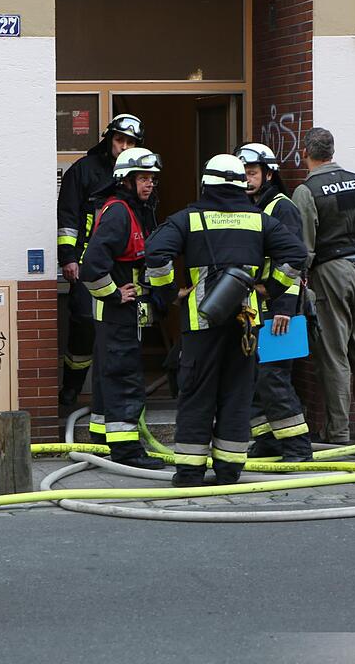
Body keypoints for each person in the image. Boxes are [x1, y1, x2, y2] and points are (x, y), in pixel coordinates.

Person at [145, 154, 306, 486]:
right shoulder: (259, 220)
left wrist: (168, 292)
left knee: (197, 394)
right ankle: (229, 470)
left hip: (201, 324)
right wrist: (271, 288)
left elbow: (156, 254)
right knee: (237, 395)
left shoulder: (187, 219)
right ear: (239, 185)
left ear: (206, 184)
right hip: (245, 325)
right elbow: (296, 255)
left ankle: (189, 472)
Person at [292, 127, 355, 444]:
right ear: (332, 152)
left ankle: (337, 433)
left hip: (330, 272)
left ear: (304, 153)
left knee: (334, 355)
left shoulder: (307, 191)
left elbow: (303, 249)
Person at [79, 148, 166, 470]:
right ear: (125, 180)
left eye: (152, 179)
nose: (149, 185)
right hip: (118, 314)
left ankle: (103, 438)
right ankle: (127, 450)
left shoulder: (133, 210)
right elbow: (91, 267)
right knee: (124, 378)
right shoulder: (119, 213)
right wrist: (115, 294)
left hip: (115, 316)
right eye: (143, 178)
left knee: (108, 376)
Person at [56, 114, 145, 409]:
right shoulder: (84, 171)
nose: (123, 146)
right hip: (86, 265)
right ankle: (71, 391)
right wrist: (68, 258)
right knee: (84, 324)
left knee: (120, 331)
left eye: (130, 142)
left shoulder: (138, 177)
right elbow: (68, 218)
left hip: (124, 267)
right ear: (109, 139)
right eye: (119, 140)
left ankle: (113, 400)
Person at [235, 143, 313, 462]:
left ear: (268, 174)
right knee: (254, 378)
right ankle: (268, 441)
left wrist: (284, 309)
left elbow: (294, 263)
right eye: (242, 175)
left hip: (281, 309)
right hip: (254, 308)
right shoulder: (247, 207)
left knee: (274, 378)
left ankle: (297, 447)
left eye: (251, 174)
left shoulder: (282, 208)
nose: (246, 180)